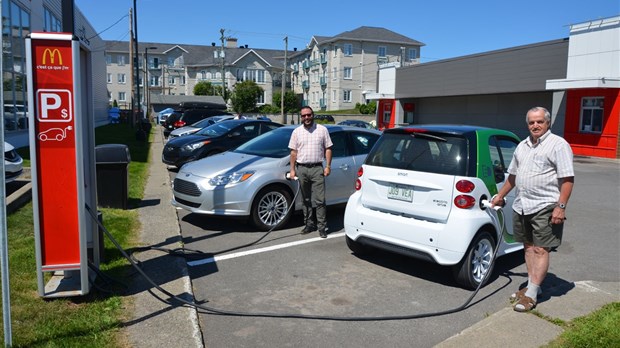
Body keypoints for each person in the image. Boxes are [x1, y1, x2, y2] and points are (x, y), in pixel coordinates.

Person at [491, 106, 574, 312]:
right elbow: (513, 176)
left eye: (539, 121)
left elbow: (567, 179)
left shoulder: (558, 145)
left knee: (540, 248)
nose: (535, 125)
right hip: (522, 205)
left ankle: (532, 293)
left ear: (548, 123)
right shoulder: (522, 146)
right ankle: (531, 286)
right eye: (531, 122)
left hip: (545, 205)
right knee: (528, 247)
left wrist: (560, 207)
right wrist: (500, 196)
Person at [288, 106, 333, 238]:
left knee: (320, 200)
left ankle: (322, 227)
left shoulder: (322, 130)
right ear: (301, 117)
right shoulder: (296, 132)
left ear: (313, 115)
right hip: (301, 169)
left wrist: (328, 166)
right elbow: (293, 152)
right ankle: (309, 224)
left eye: (309, 115)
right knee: (306, 199)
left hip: (317, 168)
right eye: (304, 116)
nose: (306, 118)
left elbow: (328, 149)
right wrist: (292, 170)